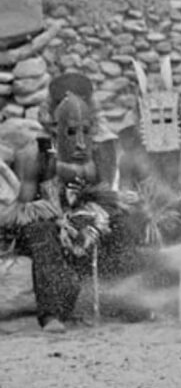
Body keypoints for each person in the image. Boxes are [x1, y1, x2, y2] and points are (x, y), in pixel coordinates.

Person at [0, 74, 142, 332]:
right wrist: (55, 215)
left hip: (84, 217)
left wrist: (98, 209)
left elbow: (104, 193)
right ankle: (53, 315)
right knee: (44, 234)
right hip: (40, 221)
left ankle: (131, 303)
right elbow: (22, 208)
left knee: (122, 226)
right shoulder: (35, 153)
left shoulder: (99, 148)